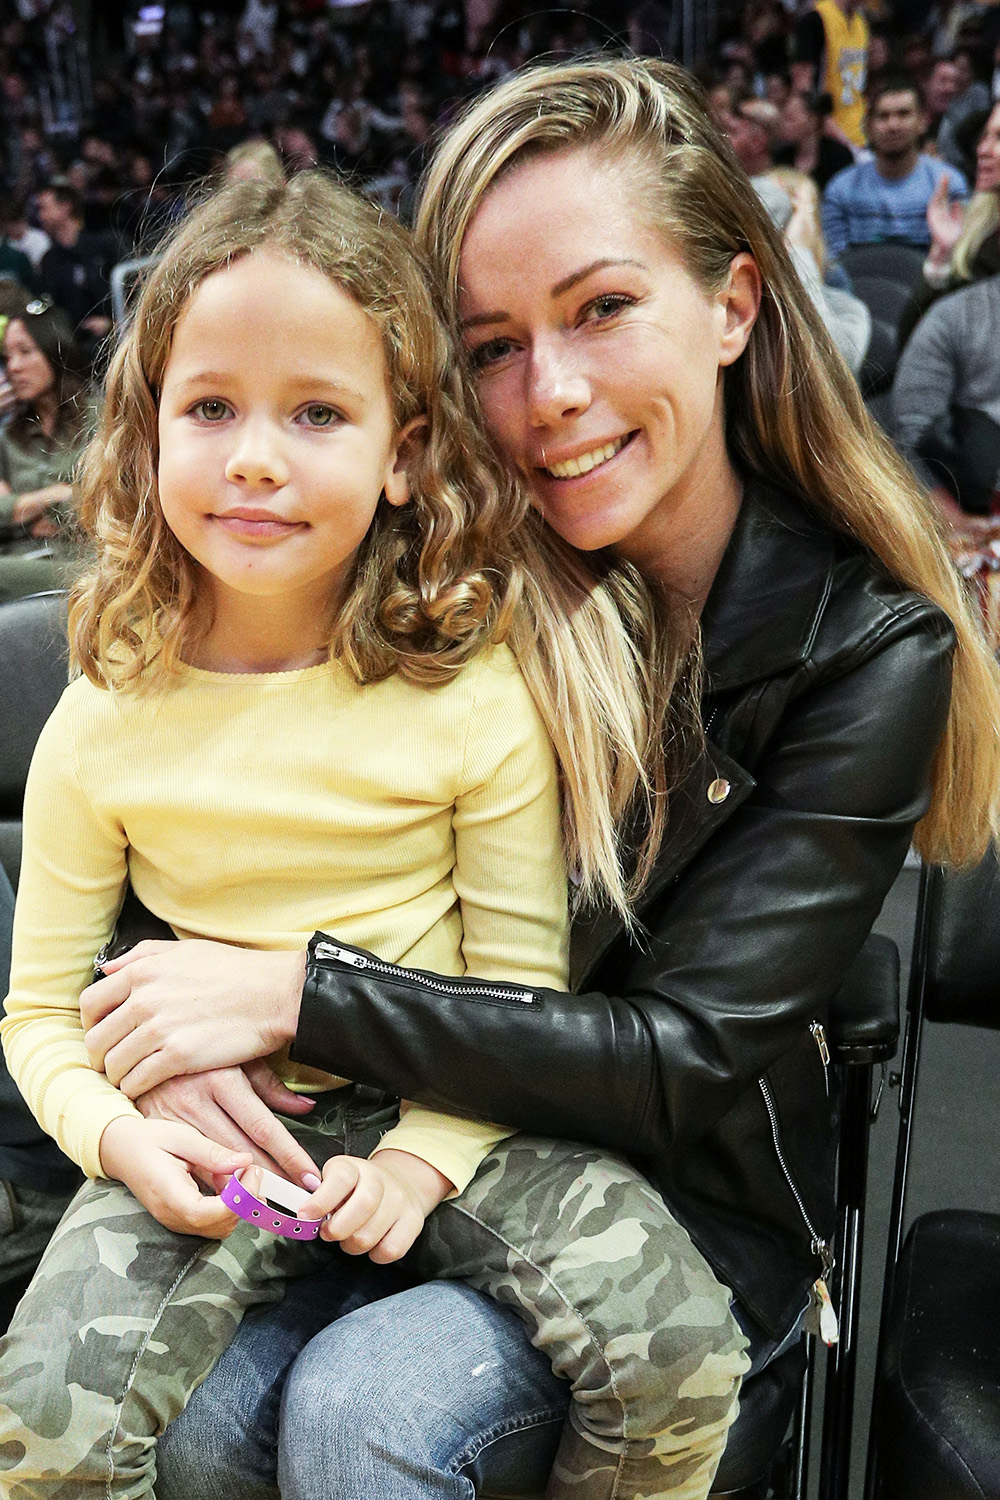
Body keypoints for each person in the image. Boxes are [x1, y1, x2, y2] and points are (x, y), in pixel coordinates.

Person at [72, 59, 1000, 1500]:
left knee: (366, 1403)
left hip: (683, 1215)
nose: (551, 393)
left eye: (603, 310)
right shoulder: (422, 574)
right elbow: (198, 816)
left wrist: (294, 992)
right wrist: (171, 1043)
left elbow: (681, 1058)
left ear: (736, 307)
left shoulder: (866, 646)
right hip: (362, 1156)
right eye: (492, 343)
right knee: (198, 1414)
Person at [0, 168, 743, 1500]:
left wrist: (422, 1155)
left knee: (678, 1355)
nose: (256, 458)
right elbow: (39, 1015)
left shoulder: (471, 689)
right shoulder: (103, 711)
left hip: (455, 1104)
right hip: (223, 1134)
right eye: (211, 407)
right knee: (45, 1431)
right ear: (145, 429)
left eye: (318, 413)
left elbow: (511, 989)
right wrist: (123, 1142)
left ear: (404, 453)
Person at [0, 296, 92, 604]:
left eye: (25, 352)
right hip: (20, 561)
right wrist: (53, 495)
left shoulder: (101, 419)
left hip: (79, 566)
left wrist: (19, 509)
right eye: (7, 356)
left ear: (56, 350)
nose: (13, 366)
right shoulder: (10, 435)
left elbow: (102, 507)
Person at [822, 76, 969, 257]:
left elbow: (957, 257)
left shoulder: (948, 184)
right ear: (868, 126)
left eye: (904, 114)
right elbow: (834, 263)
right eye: (883, 116)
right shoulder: (841, 189)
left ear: (922, 121)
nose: (893, 125)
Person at [791, 0, 869, 148]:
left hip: (860, 134)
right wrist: (821, 124)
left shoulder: (861, 22)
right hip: (828, 135)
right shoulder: (815, 20)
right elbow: (802, 85)